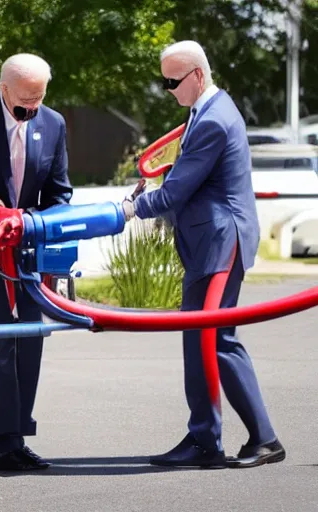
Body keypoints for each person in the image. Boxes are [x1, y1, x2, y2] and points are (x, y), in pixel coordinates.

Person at [122, 40, 285, 469]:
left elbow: (178, 190)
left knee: (217, 339)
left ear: (196, 75)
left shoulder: (214, 119)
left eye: (172, 81)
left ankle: (263, 438)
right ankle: (204, 439)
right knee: (199, 340)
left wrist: (129, 209)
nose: (167, 89)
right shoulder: (204, 112)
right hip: (207, 243)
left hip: (220, 242)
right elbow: (182, 174)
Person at [0, 53, 73, 471]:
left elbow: (60, 194)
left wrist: (36, 224)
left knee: (30, 341)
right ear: (3, 89)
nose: (33, 108)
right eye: (25, 100)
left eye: (40, 97)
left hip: (31, 252)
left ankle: (18, 435)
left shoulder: (53, 123)